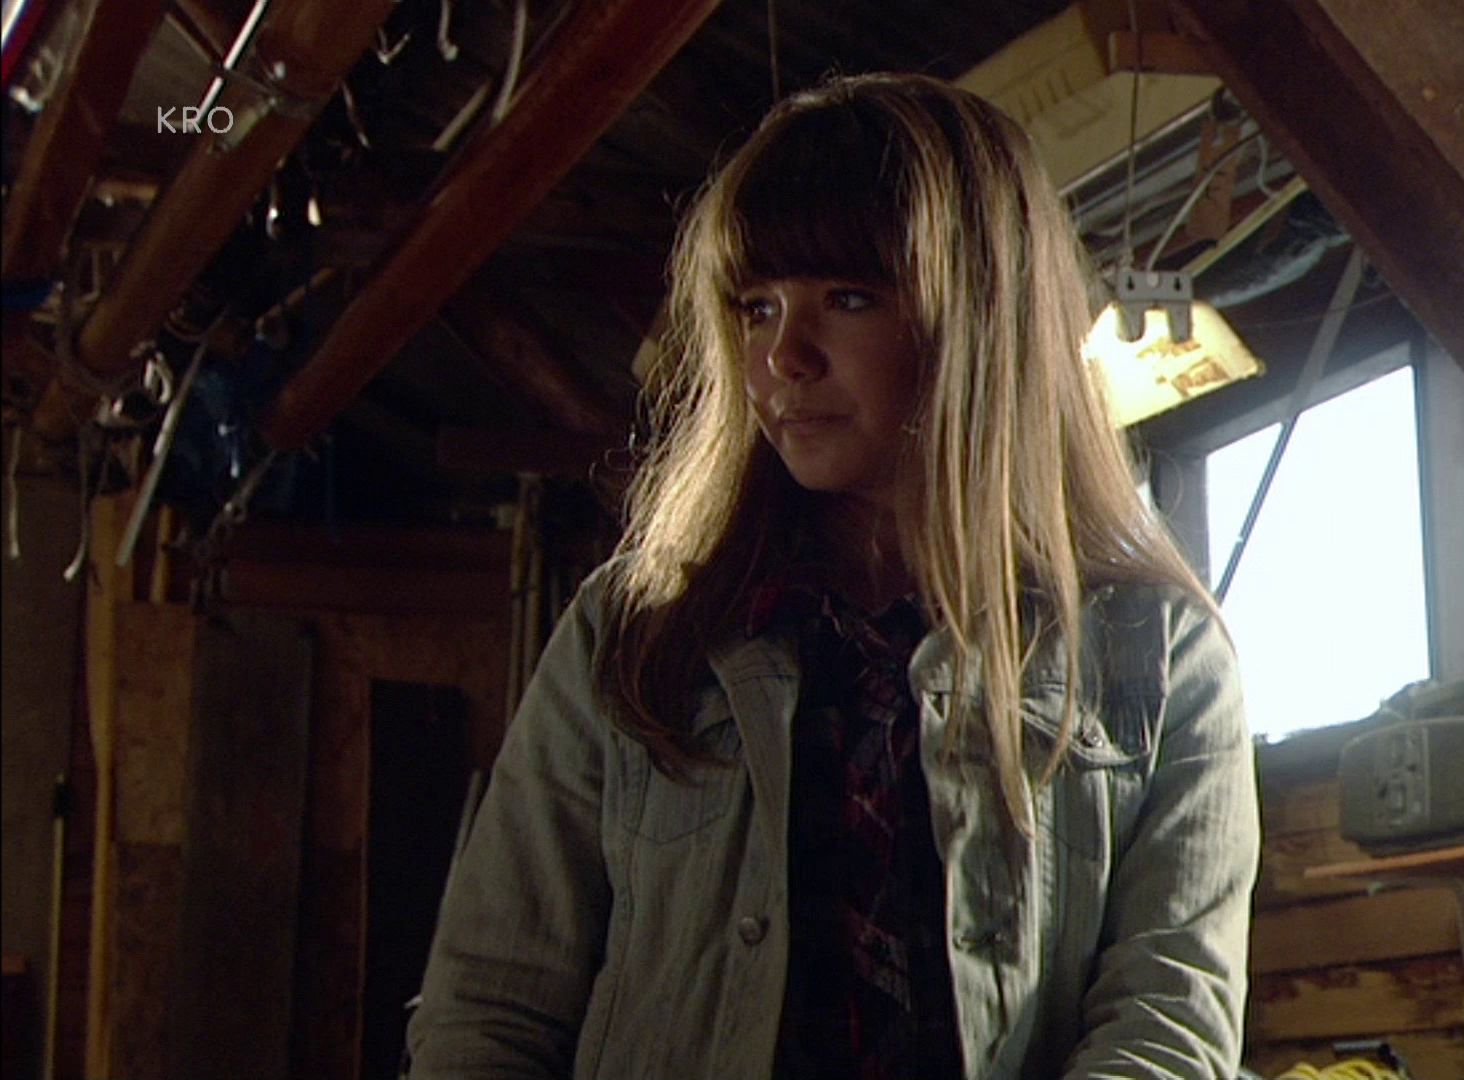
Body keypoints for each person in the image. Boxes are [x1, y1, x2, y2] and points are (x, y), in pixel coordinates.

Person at [404, 72, 1259, 1080]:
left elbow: (1168, 1021)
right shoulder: (634, 633)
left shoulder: (1155, 654)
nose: (785, 357)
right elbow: (490, 1007)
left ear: (980, 319)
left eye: (849, 298)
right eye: (756, 307)